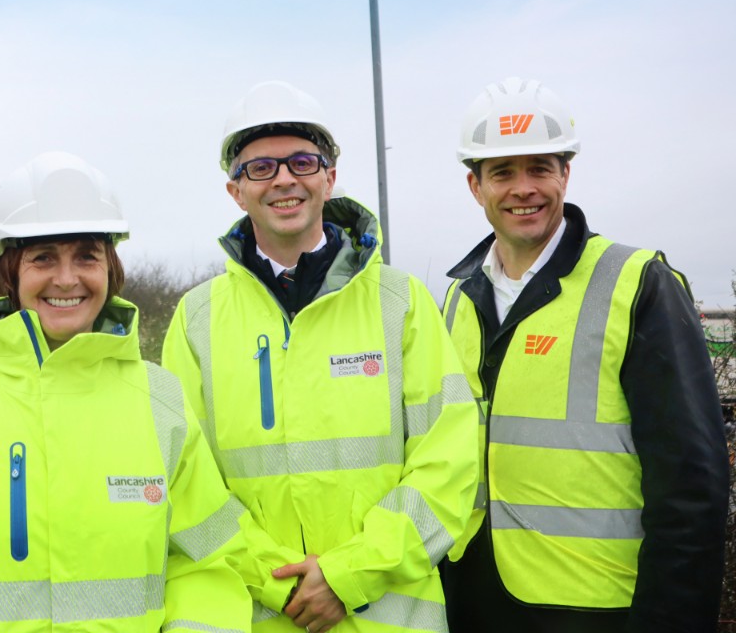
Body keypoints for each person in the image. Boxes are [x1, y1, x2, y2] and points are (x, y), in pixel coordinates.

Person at [0, 151, 251, 633]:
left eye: (86, 255)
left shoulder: (161, 399)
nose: (66, 278)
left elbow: (205, 566)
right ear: (10, 273)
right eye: (43, 258)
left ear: (110, 267)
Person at [161, 81, 478, 633]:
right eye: (260, 168)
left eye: (302, 162)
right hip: (255, 612)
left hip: (386, 615)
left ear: (329, 178)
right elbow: (185, 480)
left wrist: (348, 575)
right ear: (235, 191)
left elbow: (449, 461)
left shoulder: (401, 303)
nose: (284, 179)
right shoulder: (195, 319)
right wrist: (276, 579)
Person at [440, 77, 728, 633]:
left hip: (598, 609)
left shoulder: (637, 284)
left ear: (565, 174)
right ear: (476, 186)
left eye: (540, 168)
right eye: (502, 172)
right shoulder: (458, 296)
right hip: (473, 601)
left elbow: (692, 485)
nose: (524, 188)